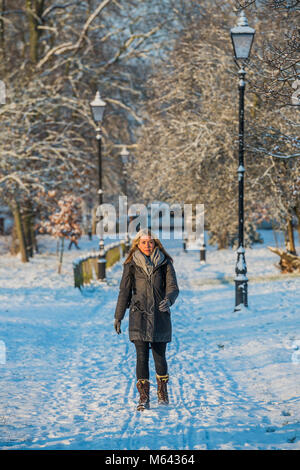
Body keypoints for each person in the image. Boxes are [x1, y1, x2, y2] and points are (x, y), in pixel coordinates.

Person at [114, 228, 179, 411]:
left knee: (160, 358)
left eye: (150, 242)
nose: (147, 245)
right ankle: (143, 398)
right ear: (137, 244)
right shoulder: (131, 265)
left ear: (156, 243)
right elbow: (124, 292)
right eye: (143, 242)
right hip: (139, 317)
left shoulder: (165, 263)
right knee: (141, 358)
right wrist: (118, 316)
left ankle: (162, 394)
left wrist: (169, 300)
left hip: (160, 316)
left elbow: (173, 287)